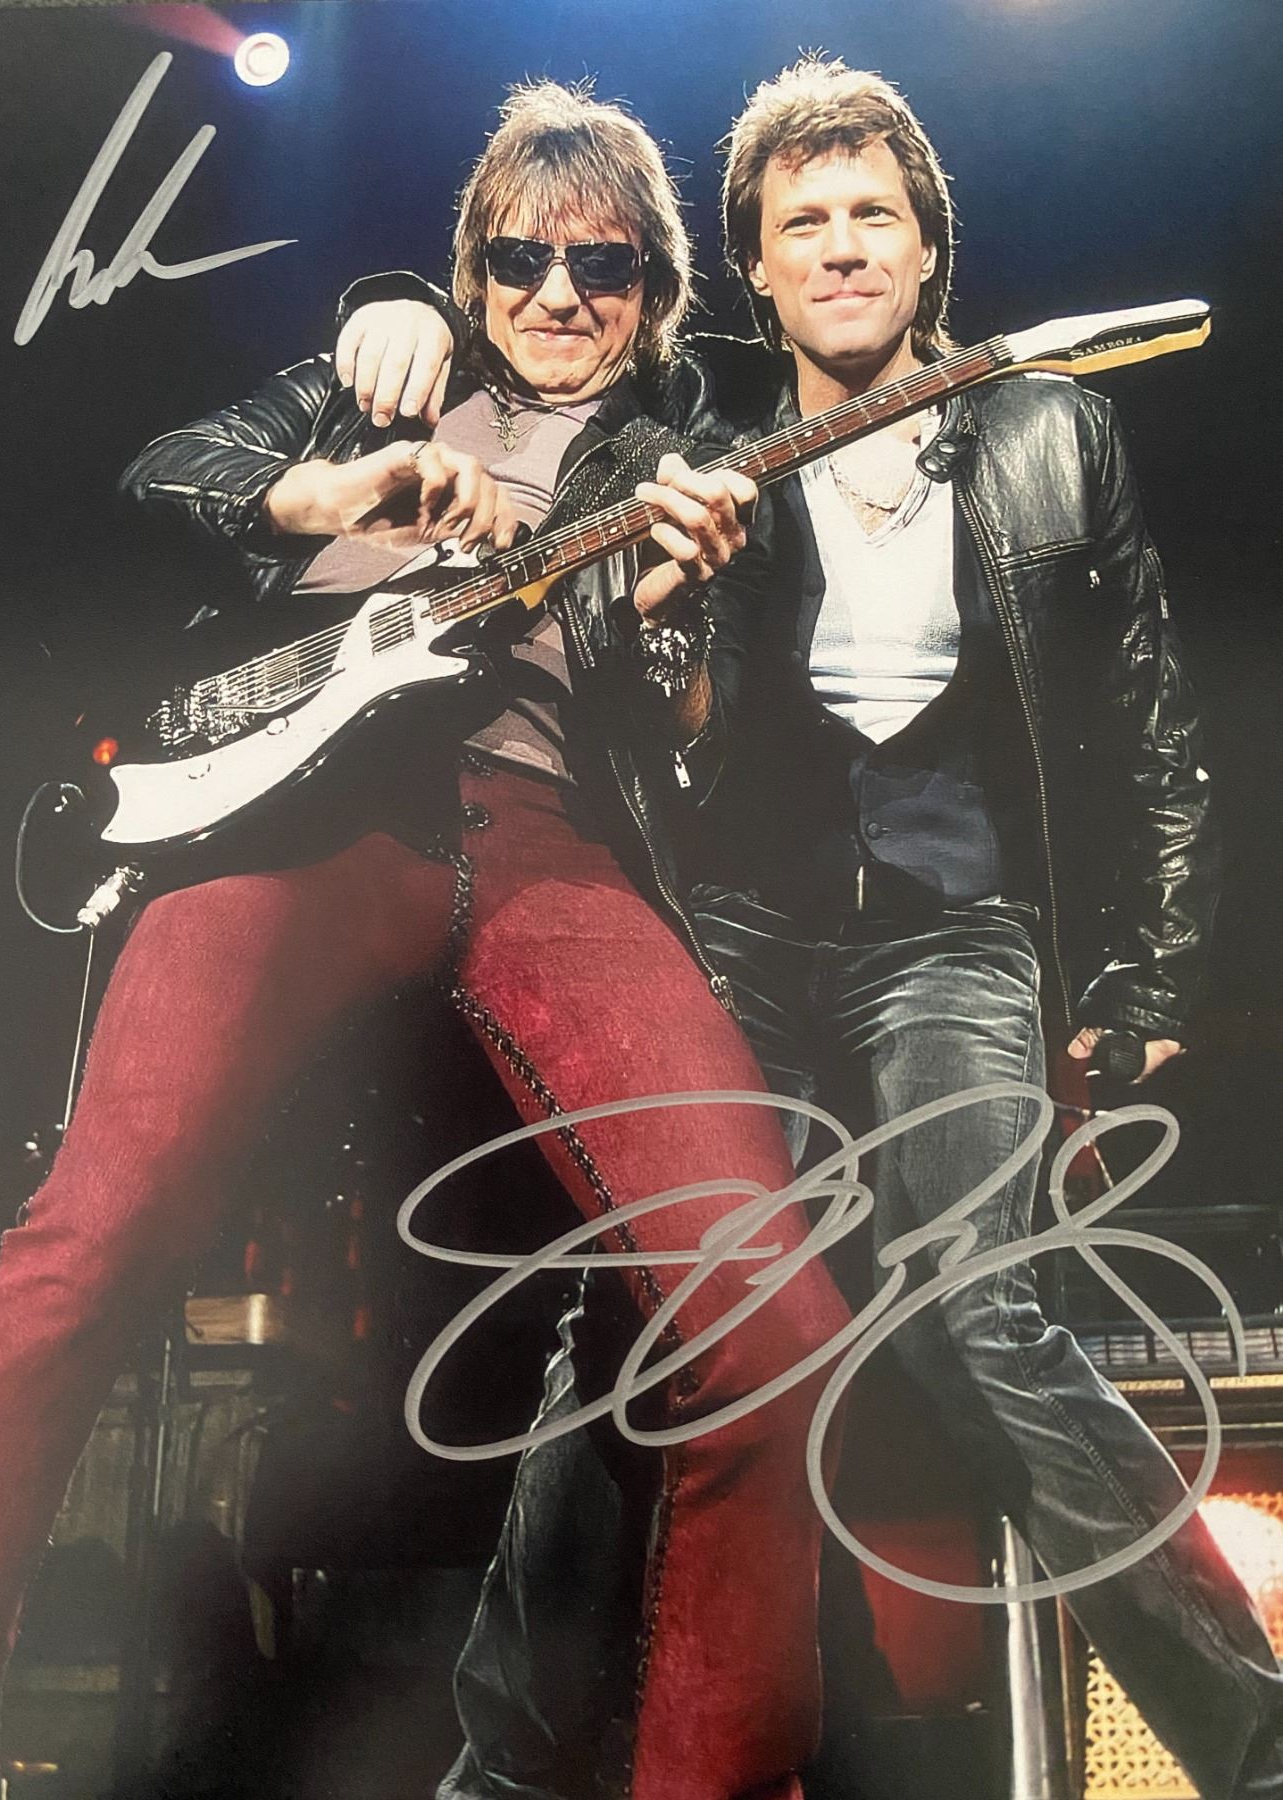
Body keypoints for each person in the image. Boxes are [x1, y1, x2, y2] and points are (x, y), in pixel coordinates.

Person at [339, 56, 1283, 1800]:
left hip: (959, 927)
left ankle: (1256, 1748)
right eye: (802, 223)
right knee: (637, 1311)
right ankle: (512, 1766)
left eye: (872, 216)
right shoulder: (689, 445)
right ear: (756, 271)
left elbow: (1149, 719)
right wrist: (395, 299)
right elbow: (530, 347)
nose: (841, 247)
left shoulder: (1047, 429)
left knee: (972, 1303)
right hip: (744, 927)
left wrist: (1146, 970)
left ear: (925, 250)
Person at [0, 82, 852, 1800]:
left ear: (657, 294)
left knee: (773, 1318)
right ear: (470, 271)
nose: (557, 294)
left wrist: (676, 623)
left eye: (603, 267)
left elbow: (718, 746)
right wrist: (329, 480)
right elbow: (158, 473)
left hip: (548, 840)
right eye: (517, 261)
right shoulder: (373, 380)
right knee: (78, 1256)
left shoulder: (683, 451)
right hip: (300, 819)